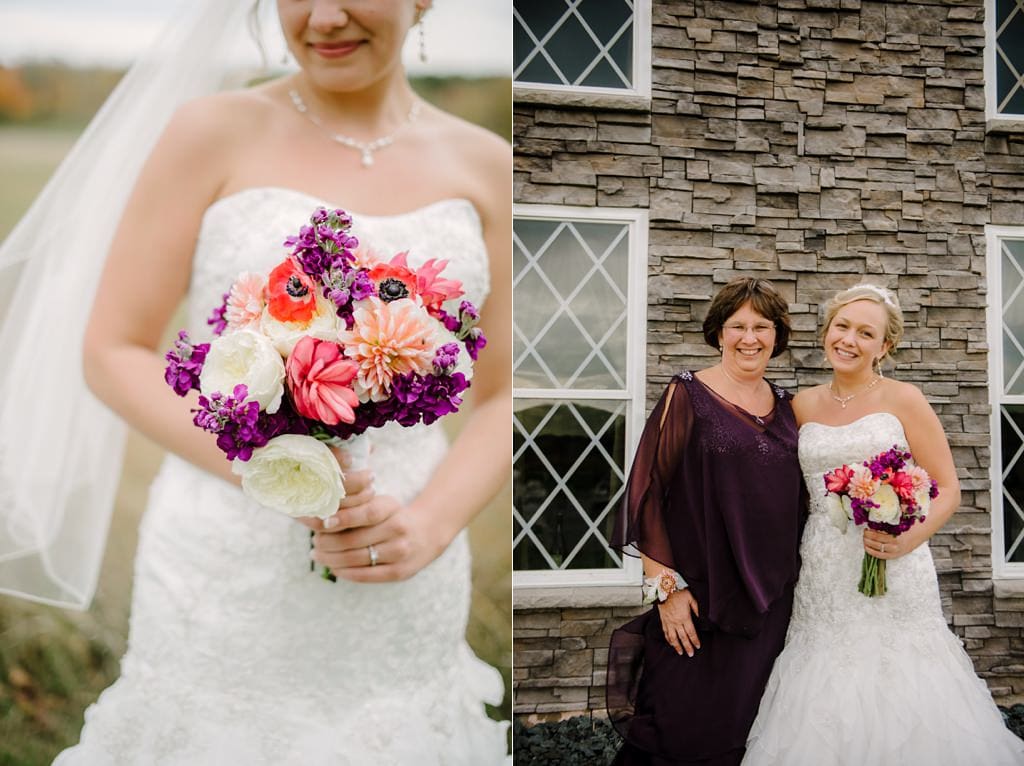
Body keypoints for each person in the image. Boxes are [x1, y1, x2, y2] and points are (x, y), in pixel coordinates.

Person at [0, 1, 511, 763]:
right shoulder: (209, 131)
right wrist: (276, 468)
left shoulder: (488, 163)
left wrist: (431, 525)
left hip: (402, 566)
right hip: (224, 568)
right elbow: (114, 348)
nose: (325, 16)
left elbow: (501, 391)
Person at [743, 284, 1024, 764]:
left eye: (865, 333)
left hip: (895, 564)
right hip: (824, 571)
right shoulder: (799, 405)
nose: (849, 339)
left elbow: (949, 488)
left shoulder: (905, 399)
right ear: (827, 330)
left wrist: (908, 540)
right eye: (842, 326)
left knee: (902, 675)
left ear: (884, 346)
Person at [607, 277, 805, 766]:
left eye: (762, 326)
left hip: (770, 604)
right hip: (698, 600)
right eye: (737, 325)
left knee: (746, 733)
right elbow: (648, 492)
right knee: (680, 731)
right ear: (718, 333)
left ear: (777, 337)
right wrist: (667, 592)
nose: (749, 337)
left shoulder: (787, 407)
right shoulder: (687, 393)